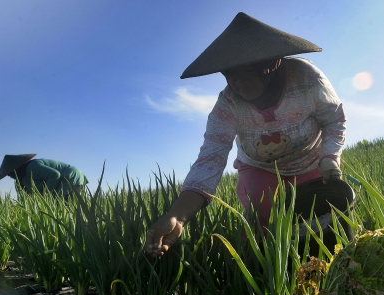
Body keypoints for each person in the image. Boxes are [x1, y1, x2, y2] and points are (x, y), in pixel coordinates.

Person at [146, 12, 347, 257]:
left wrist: (329, 157)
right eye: (231, 76)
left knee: (316, 218)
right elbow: (211, 157)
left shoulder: (307, 79)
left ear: (271, 66)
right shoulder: (227, 106)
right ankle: (262, 270)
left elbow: (334, 120)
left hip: (311, 162)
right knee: (262, 217)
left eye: (248, 73)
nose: (239, 83)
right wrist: (177, 216)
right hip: (259, 168)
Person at [0, 154, 88, 199]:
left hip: (70, 177)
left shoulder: (32, 167)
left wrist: (47, 195)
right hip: (69, 178)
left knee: (64, 206)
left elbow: (54, 175)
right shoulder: (23, 179)